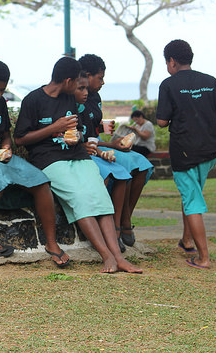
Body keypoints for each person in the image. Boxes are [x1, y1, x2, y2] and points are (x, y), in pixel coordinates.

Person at [14, 57, 142, 273]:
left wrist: (77, 137)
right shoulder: (33, 100)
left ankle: (119, 257)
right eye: (78, 84)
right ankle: (106, 256)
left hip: (78, 156)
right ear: (68, 81)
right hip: (49, 160)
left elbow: (81, 131)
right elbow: (20, 139)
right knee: (81, 199)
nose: (81, 90)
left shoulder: (70, 100)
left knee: (100, 197)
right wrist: (54, 127)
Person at [0, 60, 69, 267]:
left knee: (41, 180)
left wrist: (7, 147)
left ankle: (51, 242)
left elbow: (5, 135)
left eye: (2, 90)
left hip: (0, 156)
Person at [78, 54, 153, 248]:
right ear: (87, 75)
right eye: (100, 78)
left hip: (100, 144)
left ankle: (125, 219)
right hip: (88, 149)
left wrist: (106, 132)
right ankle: (116, 226)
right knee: (120, 170)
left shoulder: (95, 97)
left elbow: (93, 129)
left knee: (142, 164)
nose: (103, 82)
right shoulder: (74, 96)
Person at [156, 39, 216, 270]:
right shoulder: (211, 81)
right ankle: (187, 241)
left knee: (192, 200)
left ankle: (203, 258)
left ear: (172, 61)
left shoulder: (169, 84)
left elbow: (162, 121)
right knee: (192, 192)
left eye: (167, 62)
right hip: (211, 149)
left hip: (185, 151)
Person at [74, 72, 132, 253]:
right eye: (100, 77)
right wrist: (99, 148)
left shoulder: (91, 100)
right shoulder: (70, 105)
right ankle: (100, 231)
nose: (103, 82)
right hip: (77, 153)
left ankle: (118, 227)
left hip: (93, 146)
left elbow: (90, 132)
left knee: (123, 172)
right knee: (104, 174)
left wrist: (100, 146)